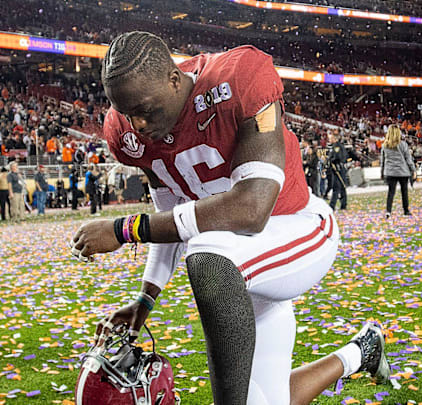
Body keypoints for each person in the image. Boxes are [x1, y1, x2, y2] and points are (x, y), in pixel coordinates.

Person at [70, 31, 388, 405]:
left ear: (174, 80)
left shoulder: (237, 78)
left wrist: (124, 230)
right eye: (127, 113)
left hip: (298, 228)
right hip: (241, 267)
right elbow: (168, 213)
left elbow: (250, 209)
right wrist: (145, 300)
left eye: (144, 110)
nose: (137, 124)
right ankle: (362, 350)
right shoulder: (127, 134)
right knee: (264, 401)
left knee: (205, 249)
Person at [380, 124, 415, 217]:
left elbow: (382, 161)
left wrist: (382, 172)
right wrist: (413, 170)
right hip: (402, 171)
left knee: (391, 192)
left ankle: (388, 210)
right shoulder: (403, 144)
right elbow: (408, 159)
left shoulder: (384, 146)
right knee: (404, 192)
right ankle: (406, 210)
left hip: (390, 171)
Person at [327, 132, 348, 211]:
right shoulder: (339, 146)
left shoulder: (336, 147)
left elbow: (337, 157)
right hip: (339, 169)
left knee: (336, 188)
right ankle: (343, 204)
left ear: (335, 139)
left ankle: (332, 205)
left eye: (331, 138)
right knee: (342, 187)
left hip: (337, 169)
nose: (329, 140)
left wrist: (330, 160)